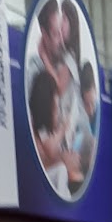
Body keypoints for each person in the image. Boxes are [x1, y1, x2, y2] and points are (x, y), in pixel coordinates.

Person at [28, 66, 81, 196]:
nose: (57, 114)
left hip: (52, 180)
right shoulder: (38, 126)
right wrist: (62, 129)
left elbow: (54, 152)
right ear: (46, 106)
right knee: (61, 171)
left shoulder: (46, 129)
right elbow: (50, 149)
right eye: (55, 109)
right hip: (37, 184)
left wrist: (66, 155)